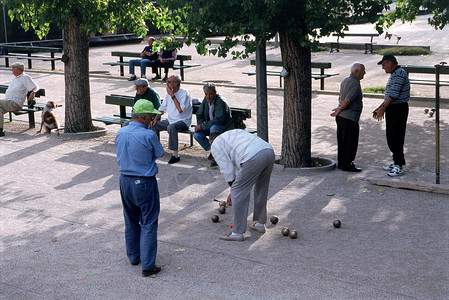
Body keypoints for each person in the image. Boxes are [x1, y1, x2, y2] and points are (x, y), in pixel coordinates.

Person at [115, 99, 164, 277]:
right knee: (149, 222)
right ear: (143, 117)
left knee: (130, 220)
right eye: (151, 116)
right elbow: (160, 153)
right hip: (144, 181)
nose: (152, 119)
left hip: (124, 180)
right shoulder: (148, 134)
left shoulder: (120, 132)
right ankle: (148, 266)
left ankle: (134, 256)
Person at [210, 129, 275, 241]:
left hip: (253, 156)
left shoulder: (216, 144)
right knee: (261, 188)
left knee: (237, 191)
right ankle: (260, 224)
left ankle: (237, 233)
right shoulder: (233, 133)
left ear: (211, 141)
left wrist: (233, 190)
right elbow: (243, 167)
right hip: (268, 151)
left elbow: (227, 170)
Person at [373, 54, 410, 177]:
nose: (383, 68)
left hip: (398, 109)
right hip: (393, 108)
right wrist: (380, 108)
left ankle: (399, 165)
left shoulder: (399, 73)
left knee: (396, 137)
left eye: (384, 64)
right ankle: (395, 161)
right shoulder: (394, 74)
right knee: (391, 136)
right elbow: (389, 94)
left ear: (390, 62)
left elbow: (393, 95)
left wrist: (383, 108)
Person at [330, 62, 366, 172]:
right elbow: (348, 99)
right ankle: (347, 164)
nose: (364, 73)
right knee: (350, 141)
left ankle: (342, 163)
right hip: (350, 117)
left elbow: (340, 97)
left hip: (341, 117)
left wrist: (339, 109)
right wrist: (340, 109)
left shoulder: (345, 80)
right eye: (363, 71)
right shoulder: (355, 83)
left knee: (342, 141)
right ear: (356, 71)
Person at [151, 74, 192, 164]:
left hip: (183, 121)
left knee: (171, 127)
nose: (167, 84)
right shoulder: (168, 94)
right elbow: (162, 108)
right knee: (154, 125)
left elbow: (180, 110)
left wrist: (173, 95)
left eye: (169, 82)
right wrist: (155, 118)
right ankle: (156, 149)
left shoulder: (184, 93)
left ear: (176, 83)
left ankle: (175, 155)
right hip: (170, 120)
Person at [194, 83, 233, 166]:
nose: (208, 96)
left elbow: (218, 120)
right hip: (210, 126)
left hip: (224, 126)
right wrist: (200, 126)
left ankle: (216, 155)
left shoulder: (220, 102)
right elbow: (199, 114)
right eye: (206, 94)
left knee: (213, 128)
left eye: (210, 94)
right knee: (197, 135)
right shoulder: (206, 100)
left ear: (215, 92)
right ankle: (215, 151)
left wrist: (202, 126)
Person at [0, 62, 39, 137]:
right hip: (7, 101)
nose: (11, 70)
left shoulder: (25, 78)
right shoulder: (14, 77)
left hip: (15, 103)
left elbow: (36, 86)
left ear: (18, 70)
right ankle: (0, 131)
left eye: (13, 68)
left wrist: (33, 92)